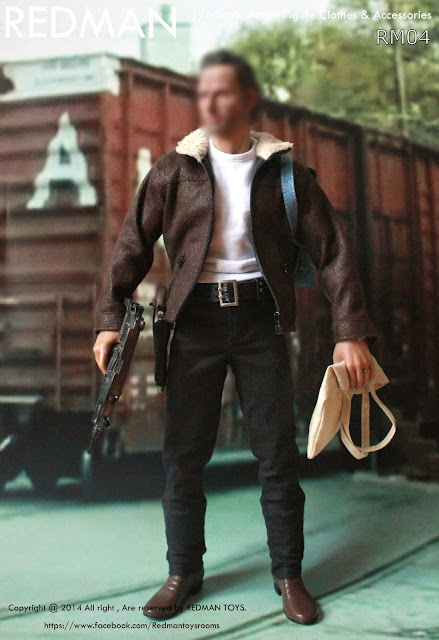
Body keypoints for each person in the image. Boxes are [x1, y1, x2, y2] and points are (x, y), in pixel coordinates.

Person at [93, 48, 378, 625]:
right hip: (192, 323)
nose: (211, 102)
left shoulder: (287, 175)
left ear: (249, 99)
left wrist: (350, 331)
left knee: (277, 454)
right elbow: (131, 244)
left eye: (223, 91)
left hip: (259, 322)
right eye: (204, 92)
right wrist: (108, 318)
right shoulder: (174, 171)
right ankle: (182, 571)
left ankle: (289, 574)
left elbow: (333, 253)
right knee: (183, 456)